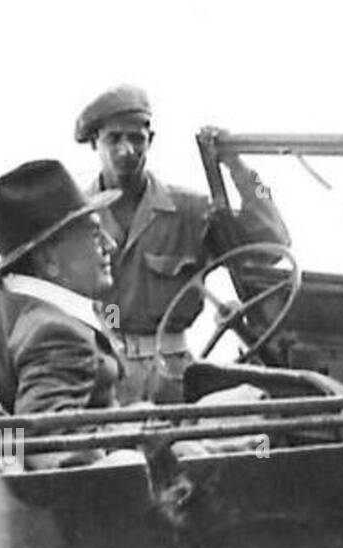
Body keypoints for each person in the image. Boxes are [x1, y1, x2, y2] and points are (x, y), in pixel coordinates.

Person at [74, 85, 292, 401]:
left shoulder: (191, 211)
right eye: (114, 139)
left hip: (173, 373)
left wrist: (239, 167)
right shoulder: (76, 215)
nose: (127, 150)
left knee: (187, 448)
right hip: (102, 369)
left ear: (151, 140)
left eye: (137, 138)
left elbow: (272, 239)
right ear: (95, 142)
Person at [0, 159, 123, 464]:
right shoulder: (58, 332)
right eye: (94, 235)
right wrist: (126, 451)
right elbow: (48, 446)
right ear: (48, 259)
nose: (110, 245)